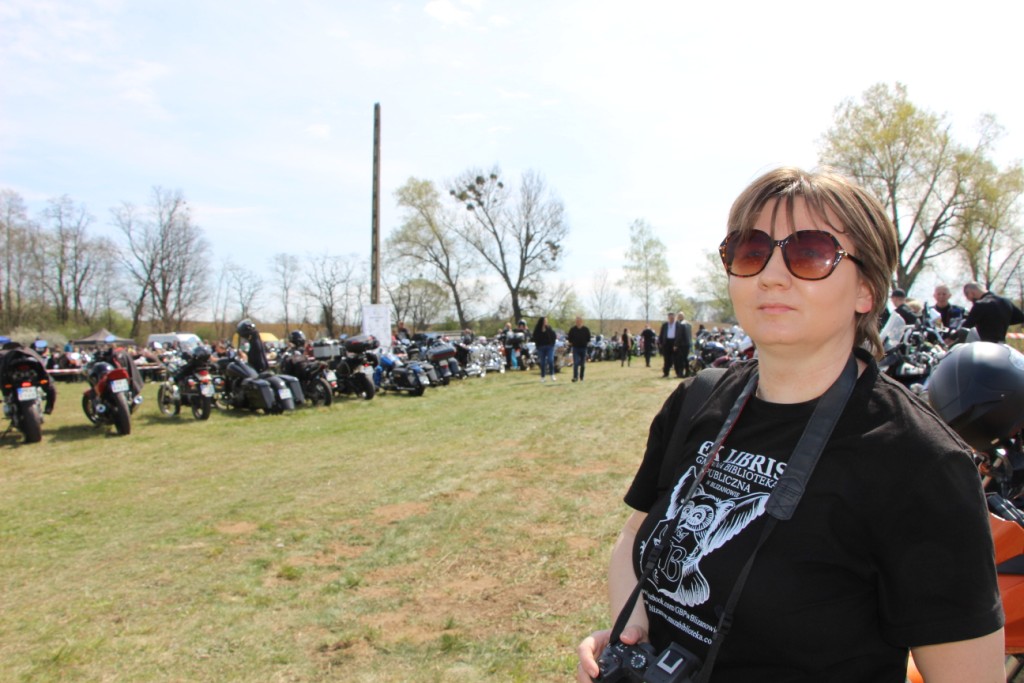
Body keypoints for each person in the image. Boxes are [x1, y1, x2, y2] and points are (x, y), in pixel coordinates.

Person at [577, 167, 1003, 682]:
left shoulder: (921, 462)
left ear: (866, 291)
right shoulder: (698, 399)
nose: (771, 275)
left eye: (810, 252)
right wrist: (631, 635)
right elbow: (634, 535)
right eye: (751, 251)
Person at [567, 316, 591, 382]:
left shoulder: (586, 329)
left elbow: (588, 339)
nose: (577, 322)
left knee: (582, 364)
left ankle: (581, 377)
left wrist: (586, 344)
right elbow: (569, 338)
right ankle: (575, 377)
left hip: (583, 348)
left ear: (581, 321)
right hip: (576, 348)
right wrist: (571, 343)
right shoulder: (573, 329)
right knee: (576, 363)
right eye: (576, 321)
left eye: (579, 321)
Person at [657, 312, 682, 378]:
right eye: (670, 318)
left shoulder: (678, 325)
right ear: (668, 318)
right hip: (666, 343)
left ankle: (678, 373)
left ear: (675, 318)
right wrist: (660, 343)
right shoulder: (665, 325)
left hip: (674, 342)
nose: (671, 319)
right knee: (666, 359)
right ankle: (666, 373)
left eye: (673, 318)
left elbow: (679, 335)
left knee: (676, 359)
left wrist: (676, 345)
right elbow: (661, 334)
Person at [533, 316, 557, 382]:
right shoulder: (537, 329)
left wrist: (552, 344)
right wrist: (537, 345)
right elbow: (535, 337)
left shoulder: (549, 328)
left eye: (546, 321)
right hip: (541, 348)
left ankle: (552, 375)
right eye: (545, 321)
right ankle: (543, 377)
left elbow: (553, 336)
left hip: (549, 347)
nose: (546, 322)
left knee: (550, 360)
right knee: (542, 362)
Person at [675, 311, 693, 377]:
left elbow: (679, 336)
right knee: (686, 359)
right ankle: (687, 372)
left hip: (681, 344)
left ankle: (680, 373)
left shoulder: (681, 324)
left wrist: (676, 344)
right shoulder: (689, 324)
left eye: (679, 316)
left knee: (680, 359)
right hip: (687, 344)